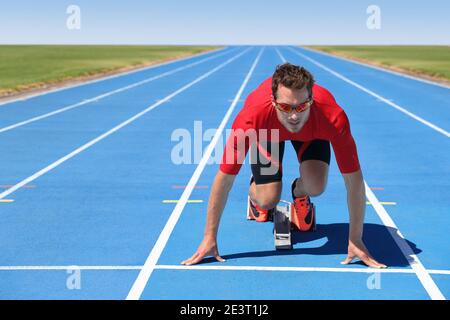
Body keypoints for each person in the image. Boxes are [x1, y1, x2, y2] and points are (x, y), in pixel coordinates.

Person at [182, 63, 386, 268]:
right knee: (268, 199)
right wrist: (209, 237)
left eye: (301, 106)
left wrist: (355, 239)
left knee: (316, 187)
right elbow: (224, 179)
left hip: (312, 133)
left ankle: (299, 192)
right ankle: (257, 194)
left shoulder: (332, 118)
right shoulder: (252, 119)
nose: (294, 115)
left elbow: (354, 181)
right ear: (273, 102)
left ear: (311, 100)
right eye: (286, 107)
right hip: (268, 132)